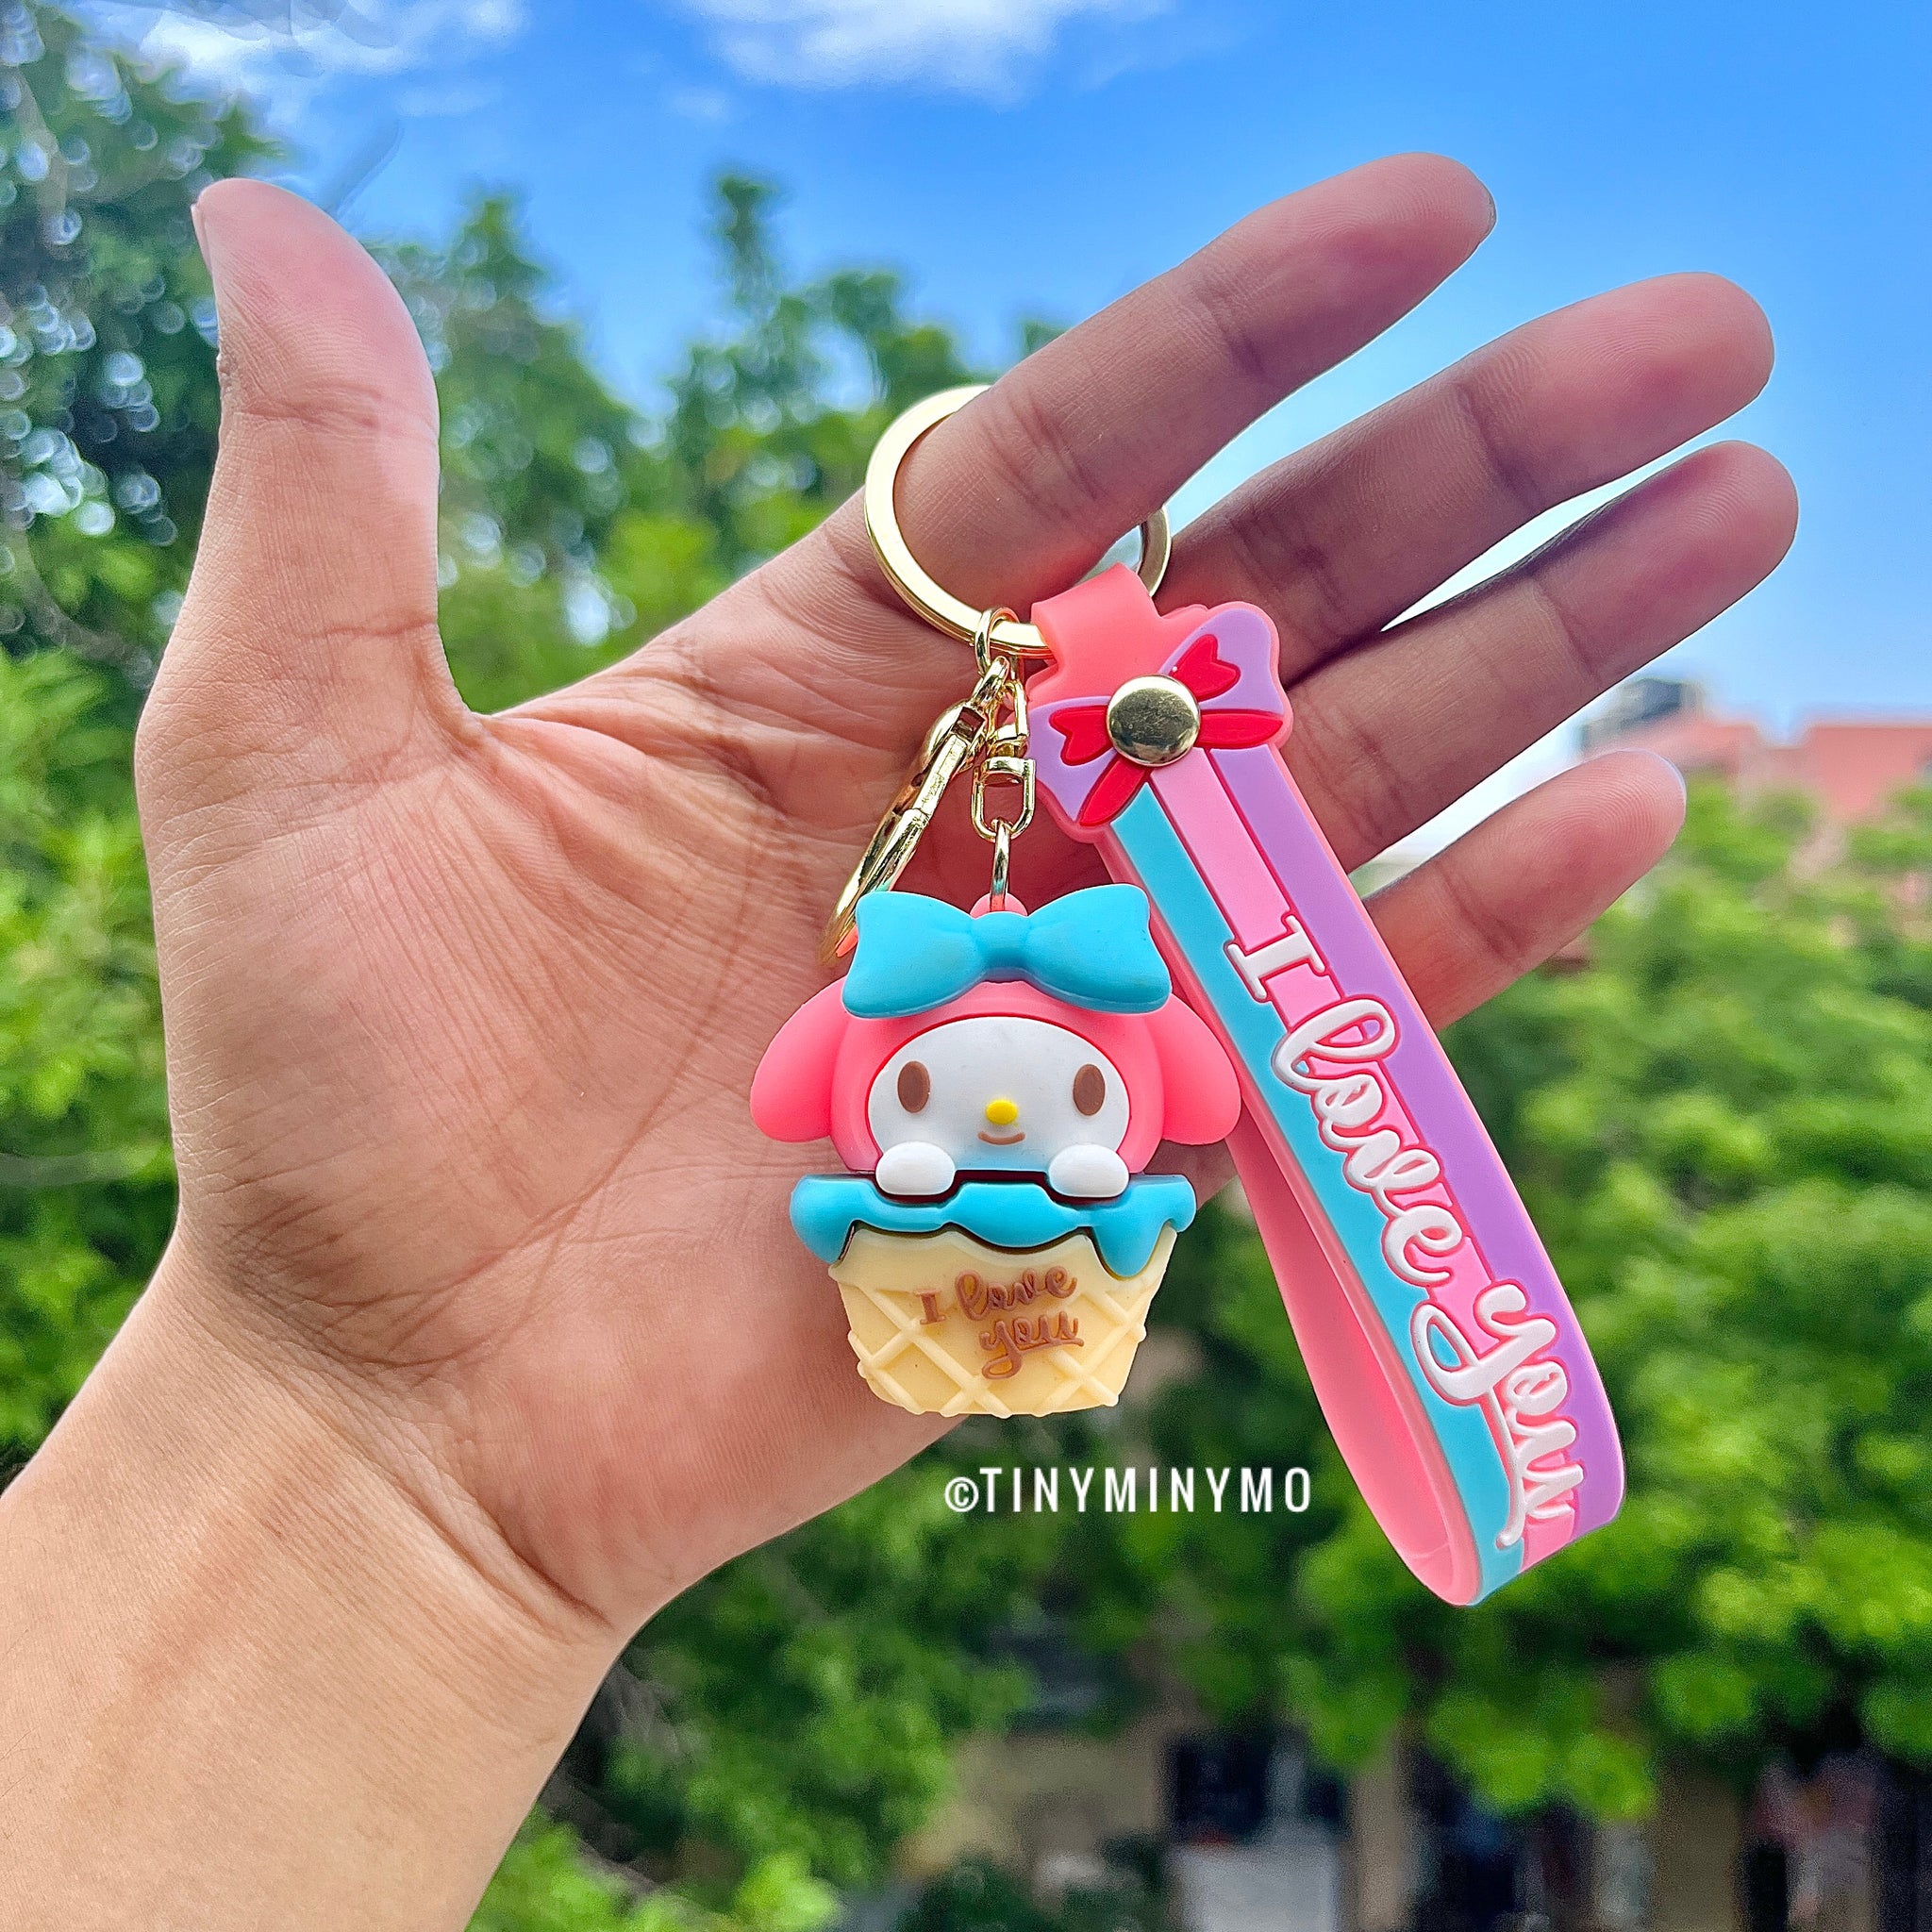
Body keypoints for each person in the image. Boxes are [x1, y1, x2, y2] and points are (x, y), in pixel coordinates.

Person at [0, 157, 1793, 1925]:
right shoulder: (900, 1053)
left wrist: (348, 1448)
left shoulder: (1070, 1040)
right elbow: (885, 1096)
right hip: (946, 1257)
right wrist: (332, 1407)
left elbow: (1182, 1085)